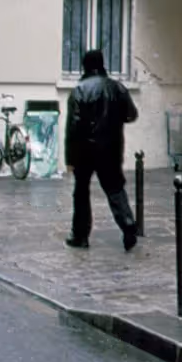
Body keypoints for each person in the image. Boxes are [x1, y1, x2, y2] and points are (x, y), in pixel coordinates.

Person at [65, 47, 139, 250]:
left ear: (85, 66)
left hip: (85, 150)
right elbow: (131, 114)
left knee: (81, 192)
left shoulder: (80, 90)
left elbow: (73, 127)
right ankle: (128, 224)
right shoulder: (117, 87)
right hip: (111, 148)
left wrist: (70, 158)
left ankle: (80, 235)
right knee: (115, 188)